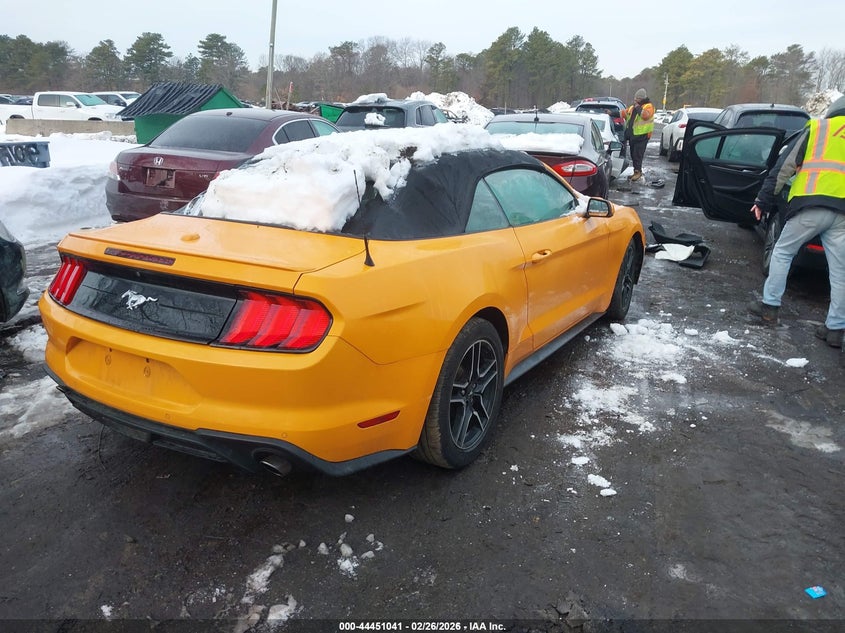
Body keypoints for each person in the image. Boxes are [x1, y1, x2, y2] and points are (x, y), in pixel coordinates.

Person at [747, 95, 845, 358]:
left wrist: (763, 200)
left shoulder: (817, 129)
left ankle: (770, 307)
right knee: (839, 271)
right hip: (843, 214)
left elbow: (784, 169)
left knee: (782, 252)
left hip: (811, 206)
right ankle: (835, 329)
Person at [624, 88, 655, 181]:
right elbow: (625, 113)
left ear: (641, 99)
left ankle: (638, 172)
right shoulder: (633, 107)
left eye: (637, 98)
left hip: (643, 135)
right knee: (633, 154)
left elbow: (645, 116)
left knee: (638, 154)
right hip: (634, 135)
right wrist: (612, 113)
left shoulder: (648, 106)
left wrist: (637, 107)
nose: (635, 100)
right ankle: (635, 171)